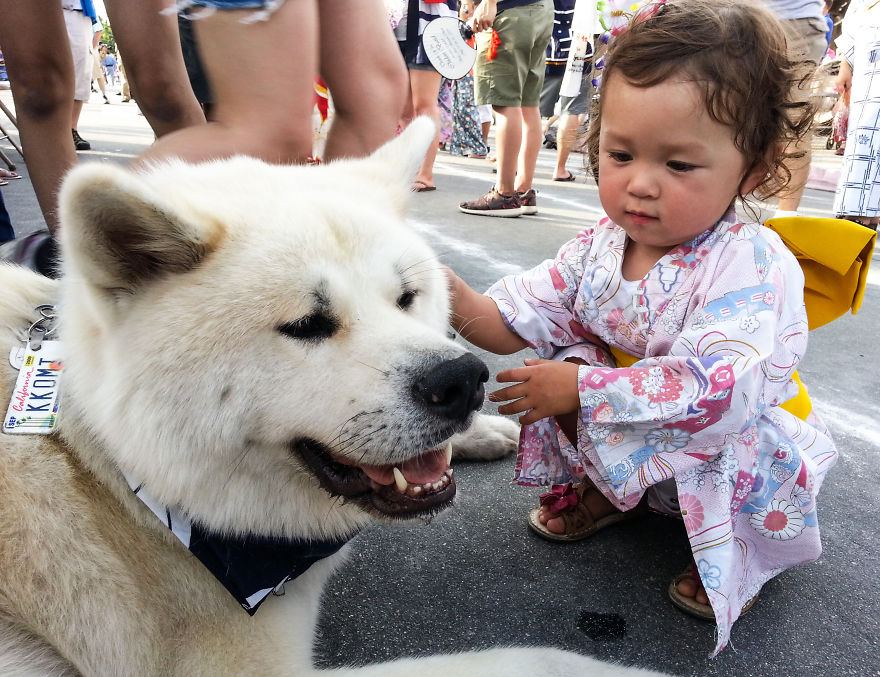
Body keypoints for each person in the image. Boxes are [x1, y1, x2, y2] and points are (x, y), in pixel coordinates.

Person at [445, 0, 832, 656]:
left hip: (724, 432)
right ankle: (614, 491)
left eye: (679, 165)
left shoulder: (751, 262)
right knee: (566, 352)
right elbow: (513, 317)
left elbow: (714, 392)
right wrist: (433, 290)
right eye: (620, 153)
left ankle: (737, 554)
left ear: (755, 168)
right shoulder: (599, 245)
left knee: (597, 383)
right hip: (639, 421)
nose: (641, 185)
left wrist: (583, 389)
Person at [459, 0, 553, 217]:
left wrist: (489, 3)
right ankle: (523, 190)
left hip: (510, 12)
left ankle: (504, 195)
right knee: (529, 105)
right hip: (541, 10)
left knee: (505, 105)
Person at [760, 0, 828, 219]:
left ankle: (785, 221)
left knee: (794, 121)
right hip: (734, 17)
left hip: (793, 21)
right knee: (727, 114)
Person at [394, 0, 458, 192]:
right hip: (396, 27)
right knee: (403, 111)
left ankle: (425, 174)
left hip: (430, 28)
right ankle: (409, 170)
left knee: (424, 105)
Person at [831, 0, 880, 230]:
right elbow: (852, 28)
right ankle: (854, 220)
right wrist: (845, 66)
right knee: (861, 148)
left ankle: (866, 218)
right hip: (867, 82)